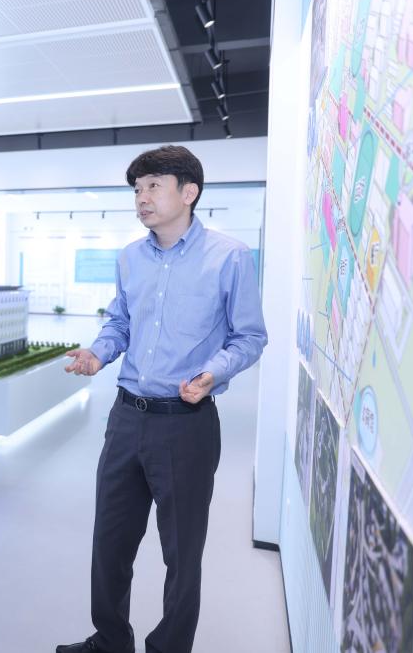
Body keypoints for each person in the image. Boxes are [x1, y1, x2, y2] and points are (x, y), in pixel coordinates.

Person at [57, 145, 267, 653]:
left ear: (188, 192)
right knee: (110, 541)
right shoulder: (130, 257)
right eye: (137, 189)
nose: (142, 198)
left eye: (153, 185)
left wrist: (213, 373)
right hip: (126, 418)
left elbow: (249, 337)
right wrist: (98, 354)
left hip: (186, 423)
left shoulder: (230, 256)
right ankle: (110, 640)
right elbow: (120, 322)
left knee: (182, 552)